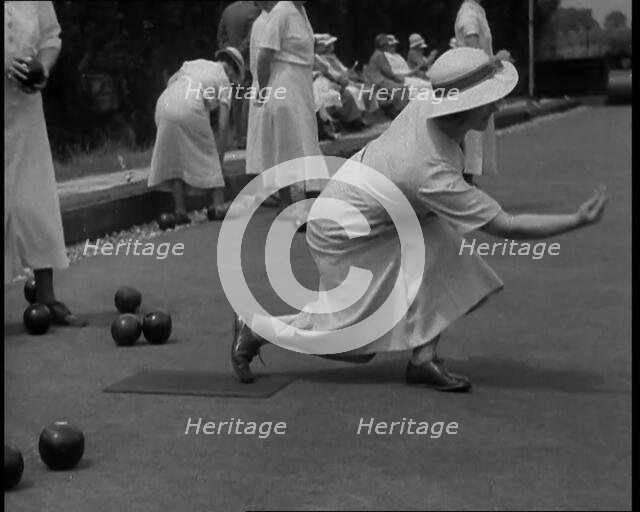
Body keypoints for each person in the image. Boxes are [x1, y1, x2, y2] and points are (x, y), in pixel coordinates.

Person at [230, 47, 609, 391]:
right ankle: (257, 327)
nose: (495, 107)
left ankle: (423, 360)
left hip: (383, 210)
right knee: (353, 343)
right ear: (462, 109)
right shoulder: (428, 171)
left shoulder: (431, 100)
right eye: (488, 101)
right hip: (343, 230)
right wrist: (576, 219)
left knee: (444, 251)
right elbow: (506, 226)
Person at [5, 1, 87, 327]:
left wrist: (41, 68)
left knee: (34, 195)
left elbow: (51, 40)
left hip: (24, 108)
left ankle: (47, 297)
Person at [147, 47, 245, 222]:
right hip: (189, 106)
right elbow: (223, 125)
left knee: (174, 156)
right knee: (210, 156)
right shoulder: (223, 79)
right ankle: (218, 206)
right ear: (230, 68)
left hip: (165, 104)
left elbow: (172, 81)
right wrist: (220, 157)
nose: (231, 81)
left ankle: (180, 211)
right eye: (232, 79)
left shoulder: (194, 64)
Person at [255, 0, 323, 212]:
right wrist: (264, 89)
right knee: (286, 140)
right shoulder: (282, 11)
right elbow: (264, 56)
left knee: (307, 139)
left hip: (302, 83)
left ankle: (311, 196)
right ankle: (287, 200)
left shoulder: (301, 12)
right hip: (284, 81)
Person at [455, 0, 513, 185]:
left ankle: (466, 181)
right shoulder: (468, 15)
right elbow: (474, 53)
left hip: (480, 81)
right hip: (473, 82)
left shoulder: (476, 11)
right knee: (471, 131)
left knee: (476, 132)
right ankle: (463, 182)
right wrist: (498, 60)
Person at [217, 1, 261, 148]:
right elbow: (252, 37)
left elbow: (221, 36)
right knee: (247, 100)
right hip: (247, 61)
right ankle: (246, 137)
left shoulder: (227, 10)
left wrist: (230, 53)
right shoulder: (254, 10)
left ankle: (239, 137)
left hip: (231, 63)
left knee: (236, 99)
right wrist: (239, 53)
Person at [245, 1, 278, 176]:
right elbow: (260, 60)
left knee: (268, 139)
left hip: (267, 82)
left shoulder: (270, 21)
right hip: (265, 83)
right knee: (264, 140)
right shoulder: (263, 24)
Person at [314, 33, 370, 131]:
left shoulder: (322, 57)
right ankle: (351, 121)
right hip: (321, 85)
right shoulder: (315, 58)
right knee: (350, 92)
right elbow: (328, 73)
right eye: (321, 45)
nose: (326, 47)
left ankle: (357, 119)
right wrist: (341, 80)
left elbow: (333, 72)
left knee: (359, 90)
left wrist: (347, 76)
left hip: (332, 82)